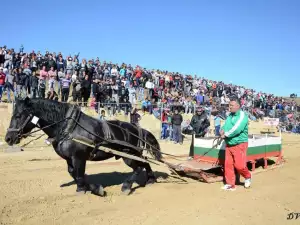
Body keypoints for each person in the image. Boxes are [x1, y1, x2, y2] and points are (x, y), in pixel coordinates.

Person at [220, 98, 251, 191]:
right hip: (229, 144)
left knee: (239, 166)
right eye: (229, 105)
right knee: (228, 165)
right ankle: (230, 184)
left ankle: (247, 176)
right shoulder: (230, 116)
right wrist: (221, 130)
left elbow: (237, 129)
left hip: (239, 144)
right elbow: (225, 125)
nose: (229, 107)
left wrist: (225, 134)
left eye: (231, 105)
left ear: (238, 106)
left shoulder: (242, 116)